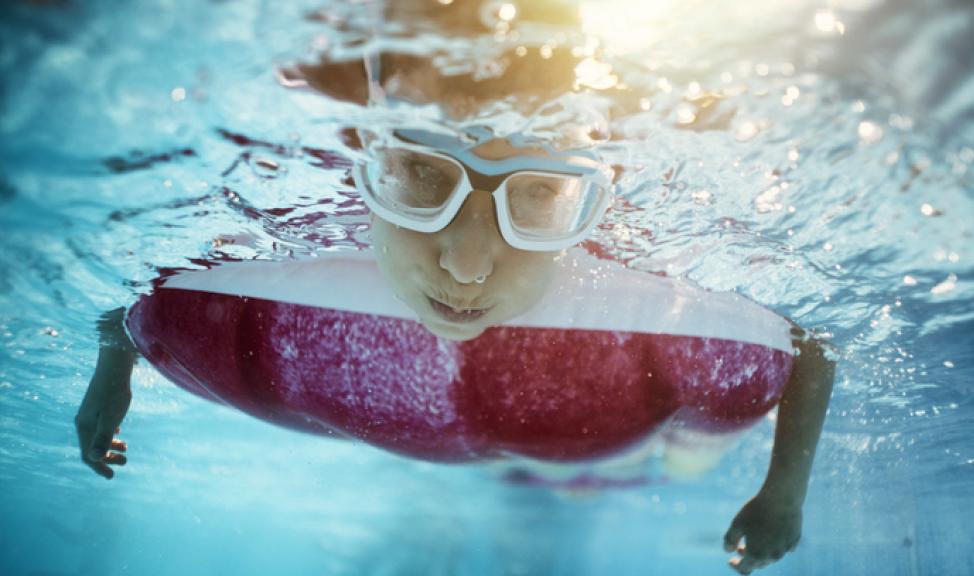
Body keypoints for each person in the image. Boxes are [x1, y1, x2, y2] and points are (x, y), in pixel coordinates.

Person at [75, 2, 835, 573]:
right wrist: (112, 364)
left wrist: (787, 491)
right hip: (578, 433)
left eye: (536, 199)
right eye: (423, 178)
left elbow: (810, 342)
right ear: (366, 160)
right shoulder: (275, 194)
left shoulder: (670, 291)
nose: (467, 266)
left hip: (607, 445)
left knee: (651, 466)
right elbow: (132, 252)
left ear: (587, 196)